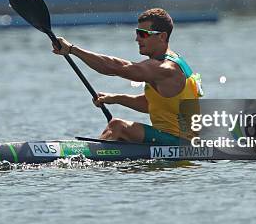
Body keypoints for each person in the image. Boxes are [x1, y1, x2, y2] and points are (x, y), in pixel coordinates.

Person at [52, 8, 203, 145]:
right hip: (177, 140)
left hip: (181, 143)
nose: (137, 39)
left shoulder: (165, 68)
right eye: (137, 33)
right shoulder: (172, 62)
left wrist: (72, 50)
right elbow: (153, 104)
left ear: (162, 37)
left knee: (117, 126)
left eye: (143, 34)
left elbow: (116, 67)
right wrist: (116, 98)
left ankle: (90, 158)